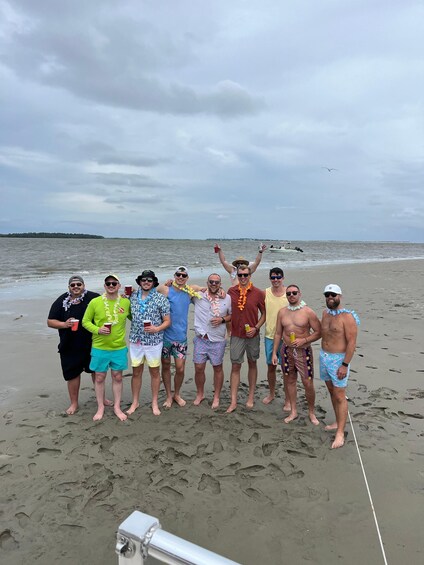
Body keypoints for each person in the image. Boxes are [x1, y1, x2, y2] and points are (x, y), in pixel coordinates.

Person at [47, 276, 99, 415]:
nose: (76, 287)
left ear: (84, 285)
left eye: (79, 284)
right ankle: (74, 403)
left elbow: (108, 305)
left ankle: (101, 399)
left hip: (91, 343)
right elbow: (50, 321)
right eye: (73, 285)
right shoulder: (61, 300)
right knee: (72, 375)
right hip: (69, 345)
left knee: (96, 372)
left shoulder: (93, 297)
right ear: (69, 287)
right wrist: (64, 324)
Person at [82, 274, 131, 422]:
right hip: (100, 347)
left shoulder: (125, 302)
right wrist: (98, 330)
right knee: (99, 377)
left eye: (114, 283)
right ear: (104, 286)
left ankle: (117, 407)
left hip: (118, 347)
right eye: (108, 283)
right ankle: (100, 407)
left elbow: (135, 318)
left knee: (117, 376)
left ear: (119, 286)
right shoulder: (95, 302)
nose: (111, 286)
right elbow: (85, 321)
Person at [272, 284, 321, 425]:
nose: (291, 295)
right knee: (290, 380)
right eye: (288, 293)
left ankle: (311, 412)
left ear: (300, 294)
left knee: (307, 382)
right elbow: (278, 333)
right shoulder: (282, 312)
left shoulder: (308, 312)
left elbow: (319, 332)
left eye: (294, 293)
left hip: (303, 351)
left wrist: (304, 340)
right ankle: (293, 411)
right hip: (286, 350)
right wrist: (274, 353)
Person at [320, 284, 360, 449]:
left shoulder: (347, 317)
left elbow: (352, 343)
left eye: (333, 295)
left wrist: (344, 365)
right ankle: (337, 421)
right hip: (324, 357)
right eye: (327, 295)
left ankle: (340, 433)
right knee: (332, 392)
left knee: (339, 395)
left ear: (340, 296)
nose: (330, 297)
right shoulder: (325, 313)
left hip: (338, 360)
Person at [157, 266, 203, 408]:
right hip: (165, 336)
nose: (181, 277)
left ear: (187, 278)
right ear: (174, 275)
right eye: (178, 274)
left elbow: (203, 288)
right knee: (165, 365)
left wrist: (218, 290)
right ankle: (168, 396)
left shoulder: (189, 291)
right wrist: (165, 283)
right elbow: (150, 291)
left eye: (184, 275)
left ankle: (176, 394)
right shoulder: (166, 289)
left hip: (181, 337)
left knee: (180, 368)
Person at [127, 270, 171, 416]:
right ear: (140, 282)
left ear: (154, 283)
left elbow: (167, 321)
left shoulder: (160, 298)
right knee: (136, 372)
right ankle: (135, 402)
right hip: (136, 340)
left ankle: (154, 402)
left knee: (154, 372)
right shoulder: (132, 296)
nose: (146, 282)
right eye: (144, 280)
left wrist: (156, 328)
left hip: (153, 341)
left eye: (149, 280)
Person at [226, 265, 265, 412]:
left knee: (252, 363)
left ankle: (250, 397)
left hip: (252, 335)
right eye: (240, 275)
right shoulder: (231, 291)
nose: (243, 278)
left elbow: (264, 314)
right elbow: (224, 307)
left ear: (250, 276)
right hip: (237, 334)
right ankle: (233, 401)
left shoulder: (258, 293)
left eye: (245, 275)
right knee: (235, 365)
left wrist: (256, 327)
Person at [192, 273, 231, 409]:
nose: (214, 284)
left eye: (216, 282)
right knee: (199, 367)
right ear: (207, 282)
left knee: (217, 367)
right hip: (201, 338)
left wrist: (222, 319)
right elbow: (186, 288)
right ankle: (200, 394)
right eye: (211, 282)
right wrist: (199, 288)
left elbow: (232, 315)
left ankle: (216, 397)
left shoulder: (227, 298)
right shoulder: (198, 295)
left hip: (218, 339)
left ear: (220, 284)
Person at [262, 267, 289, 407]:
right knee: (271, 367)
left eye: (278, 277)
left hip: (286, 337)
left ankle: (288, 399)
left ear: (283, 278)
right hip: (270, 335)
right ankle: (272, 393)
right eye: (273, 277)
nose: (276, 280)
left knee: (286, 369)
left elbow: (300, 308)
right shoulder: (265, 293)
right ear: (270, 279)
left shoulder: (289, 292)